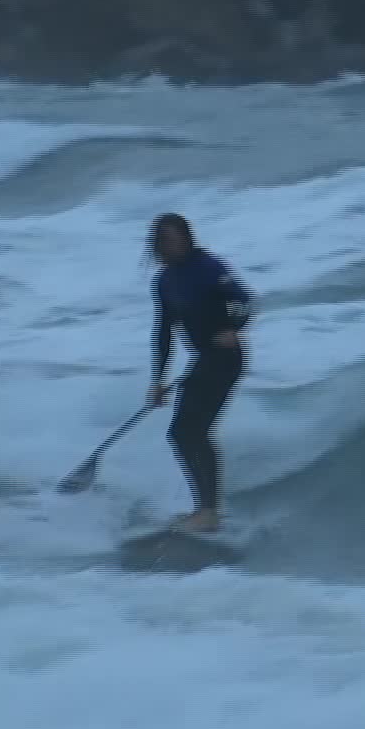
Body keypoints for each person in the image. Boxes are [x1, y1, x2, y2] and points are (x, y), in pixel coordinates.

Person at [145, 212, 251, 535]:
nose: (171, 245)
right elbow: (163, 333)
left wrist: (233, 328)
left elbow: (244, 301)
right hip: (203, 361)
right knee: (182, 434)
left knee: (192, 432)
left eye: (177, 238)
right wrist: (158, 381)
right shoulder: (164, 281)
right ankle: (204, 509)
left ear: (187, 238)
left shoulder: (208, 267)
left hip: (226, 359)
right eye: (164, 240)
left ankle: (209, 512)